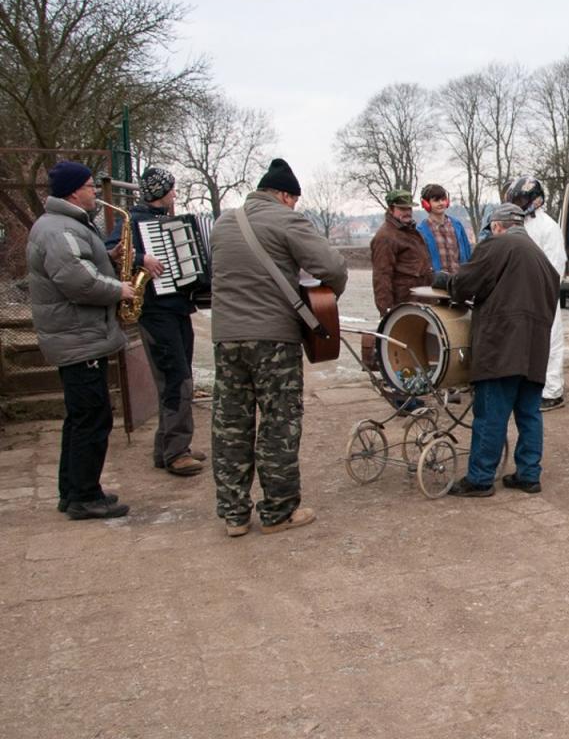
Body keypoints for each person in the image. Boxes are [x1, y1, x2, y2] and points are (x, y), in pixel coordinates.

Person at [209, 158, 348, 537]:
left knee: (230, 424)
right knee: (279, 422)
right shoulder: (286, 220)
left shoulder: (223, 223)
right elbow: (334, 267)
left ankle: (234, 515)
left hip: (226, 338)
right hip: (273, 339)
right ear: (286, 196)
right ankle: (278, 511)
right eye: (295, 200)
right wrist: (324, 300)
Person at [27, 161, 139, 519]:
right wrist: (119, 289)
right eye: (90, 186)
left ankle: (73, 491)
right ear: (75, 192)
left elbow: (79, 265)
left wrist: (108, 257)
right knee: (92, 417)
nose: (95, 192)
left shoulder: (64, 225)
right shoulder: (59, 229)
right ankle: (85, 497)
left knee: (81, 417)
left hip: (78, 336)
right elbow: (78, 281)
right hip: (78, 338)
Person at [432, 203, 559, 497]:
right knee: (529, 414)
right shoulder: (541, 258)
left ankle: (480, 479)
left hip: (501, 345)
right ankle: (528, 475)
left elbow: (466, 284)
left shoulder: (498, 245)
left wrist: (446, 281)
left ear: (498, 226)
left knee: (491, 413)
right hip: (535, 347)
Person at [105, 167, 204, 477]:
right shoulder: (132, 222)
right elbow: (109, 251)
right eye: (171, 188)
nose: (174, 193)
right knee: (176, 379)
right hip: (155, 311)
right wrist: (141, 259)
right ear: (159, 191)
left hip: (178, 309)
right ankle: (176, 452)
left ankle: (168, 448)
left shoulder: (167, 221)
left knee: (180, 376)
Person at [505, 177, 569, 412]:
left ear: (535, 199)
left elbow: (555, 264)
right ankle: (528, 387)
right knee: (524, 344)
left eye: (521, 199)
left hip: (543, 294)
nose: (517, 204)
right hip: (520, 294)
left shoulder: (547, 227)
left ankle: (553, 391)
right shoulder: (516, 225)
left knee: (549, 342)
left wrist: (540, 290)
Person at [370, 188, 431, 317]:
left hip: (421, 303)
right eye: (402, 209)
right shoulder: (385, 237)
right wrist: (387, 310)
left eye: (409, 208)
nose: (407, 212)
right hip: (404, 305)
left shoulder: (411, 231)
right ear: (391, 209)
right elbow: (382, 276)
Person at [417, 183, 472, 278]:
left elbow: (468, 254)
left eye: (443, 199)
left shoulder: (457, 226)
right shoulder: (421, 231)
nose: (441, 203)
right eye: (436, 200)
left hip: (459, 281)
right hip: (434, 284)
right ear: (426, 204)